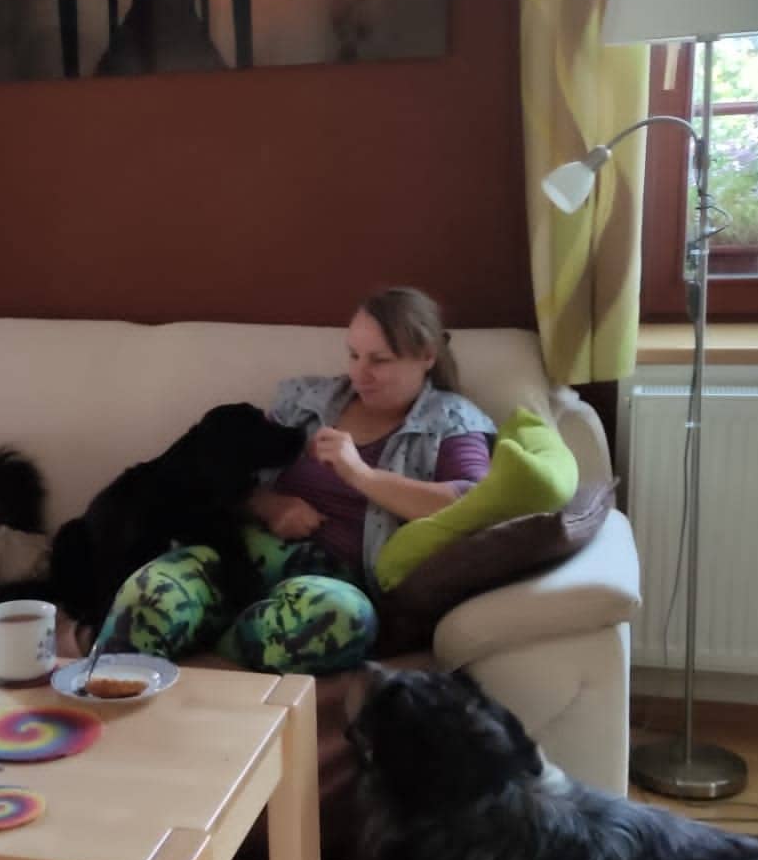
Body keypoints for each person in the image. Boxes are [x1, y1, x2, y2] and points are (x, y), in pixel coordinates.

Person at [98, 287, 494, 674]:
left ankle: (206, 657)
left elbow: (471, 503)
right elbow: (218, 470)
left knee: (339, 618)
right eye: (354, 355)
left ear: (427, 355)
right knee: (150, 594)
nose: (360, 374)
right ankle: (114, 692)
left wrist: (361, 474)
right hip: (237, 553)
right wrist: (267, 504)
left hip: (326, 583)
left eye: (380, 360)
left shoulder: (451, 421)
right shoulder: (309, 402)